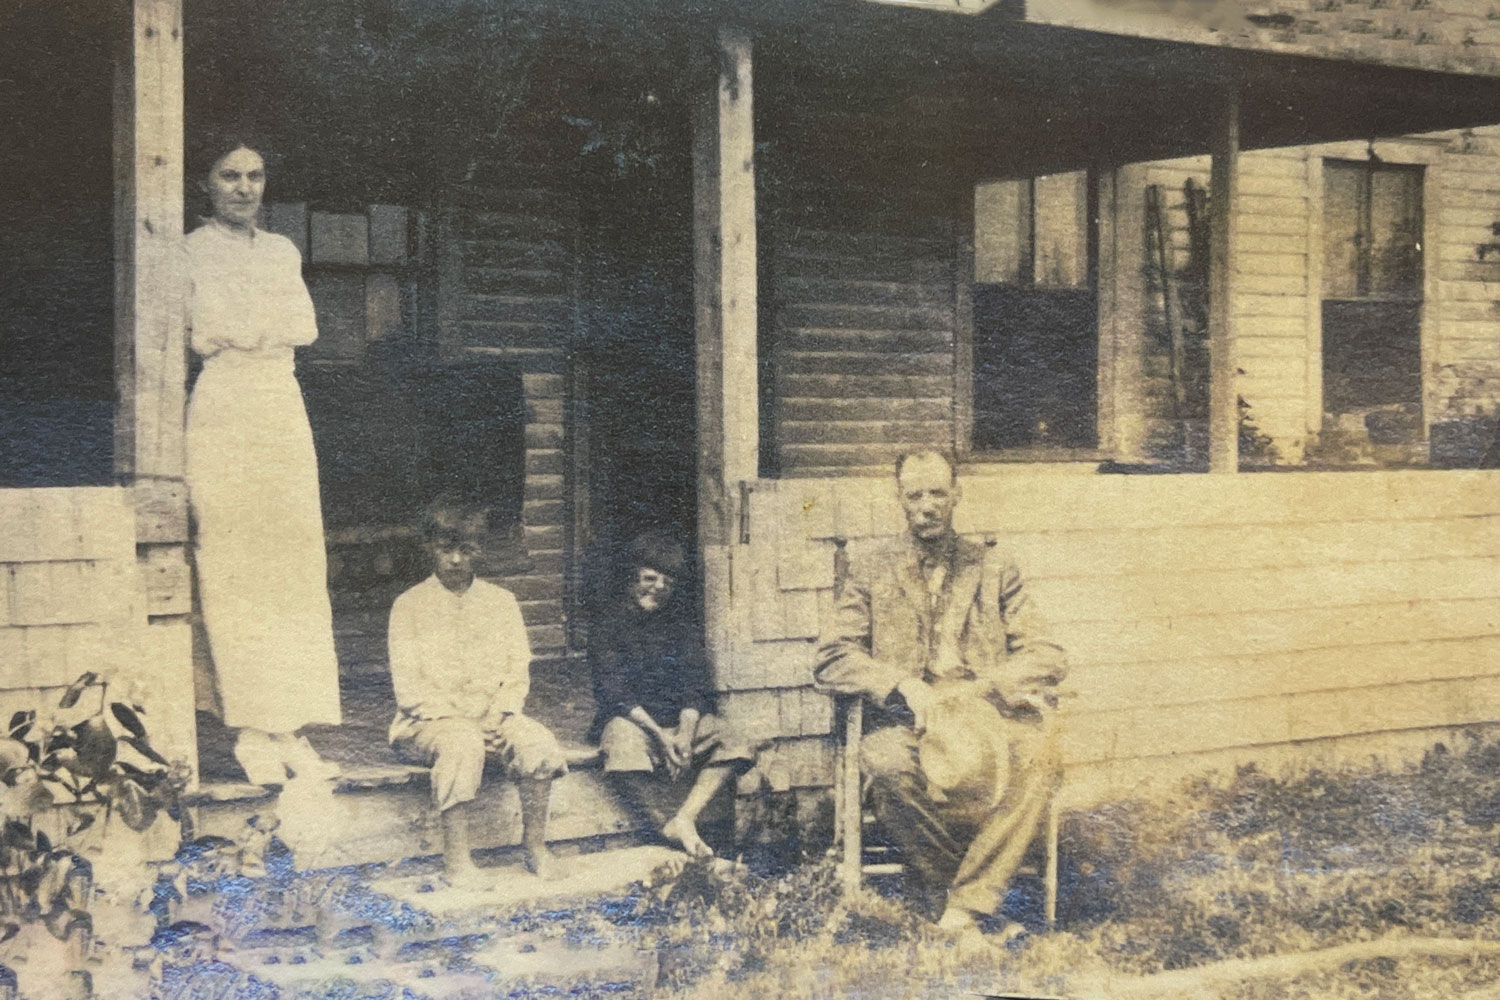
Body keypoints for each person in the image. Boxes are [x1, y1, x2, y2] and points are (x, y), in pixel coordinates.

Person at [813, 451, 1067, 936]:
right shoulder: (870, 569)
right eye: (914, 495)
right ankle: (977, 904)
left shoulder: (993, 567)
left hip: (983, 721)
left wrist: (984, 688)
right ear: (900, 499)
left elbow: (1048, 654)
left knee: (1038, 756)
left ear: (957, 496)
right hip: (906, 722)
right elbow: (831, 657)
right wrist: (902, 684)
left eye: (937, 493)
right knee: (887, 767)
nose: (926, 506)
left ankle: (960, 910)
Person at [185, 137, 341, 785]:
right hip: (224, 404)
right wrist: (255, 325)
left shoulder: (282, 252)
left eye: (255, 175)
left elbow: (302, 327)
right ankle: (251, 726)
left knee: (292, 561)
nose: (244, 187)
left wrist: (252, 324)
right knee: (236, 559)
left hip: (281, 402)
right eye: (230, 176)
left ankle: (293, 726)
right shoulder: (189, 252)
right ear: (206, 183)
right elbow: (207, 328)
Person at [388, 497, 568, 886]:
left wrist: (501, 713)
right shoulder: (409, 606)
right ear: (430, 549)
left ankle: (535, 846)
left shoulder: (501, 603)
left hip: (492, 717)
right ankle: (458, 861)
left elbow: (516, 670)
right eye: (445, 549)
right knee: (461, 743)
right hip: (427, 724)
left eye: (465, 551)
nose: (455, 560)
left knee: (536, 741)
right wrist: (463, 721)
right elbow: (409, 688)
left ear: (479, 552)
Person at [588, 531, 758, 859]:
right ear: (631, 577)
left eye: (667, 582)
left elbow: (695, 682)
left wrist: (685, 733)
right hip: (634, 721)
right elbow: (614, 691)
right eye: (649, 578)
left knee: (737, 739)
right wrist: (659, 736)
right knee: (620, 744)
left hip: (677, 722)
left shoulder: (680, 624)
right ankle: (664, 824)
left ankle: (685, 817)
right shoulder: (607, 625)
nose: (658, 588)